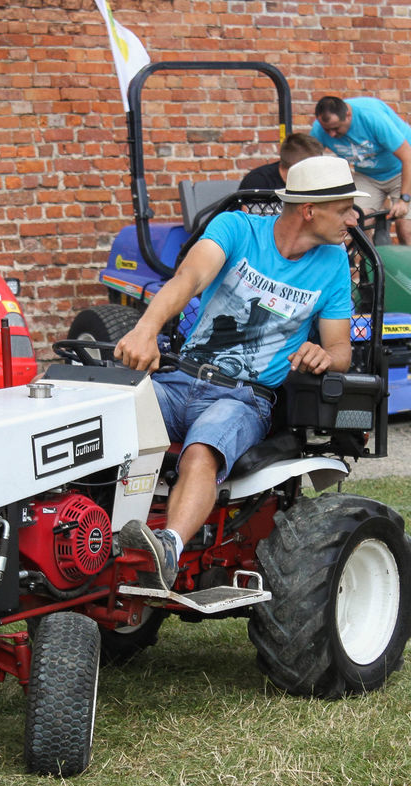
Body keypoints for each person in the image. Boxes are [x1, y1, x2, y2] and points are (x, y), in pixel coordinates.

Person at [112, 156, 358, 588]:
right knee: (104, 421)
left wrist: (326, 355)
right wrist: (146, 330)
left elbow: (341, 348)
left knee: (201, 450)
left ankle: (167, 548)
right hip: (180, 378)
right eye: (345, 209)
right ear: (309, 210)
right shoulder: (237, 228)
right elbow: (188, 278)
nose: (353, 219)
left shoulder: (334, 262)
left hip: (244, 397)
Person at [310, 95, 411, 247]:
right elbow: (311, 164)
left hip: (401, 168)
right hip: (367, 175)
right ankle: (374, 268)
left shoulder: (371, 117)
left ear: (348, 115)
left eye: (336, 128)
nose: (331, 134)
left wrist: (404, 200)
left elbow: (409, 157)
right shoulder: (319, 130)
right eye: (327, 130)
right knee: (359, 223)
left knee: (405, 228)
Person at [238, 132, 324, 191]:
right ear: (297, 167)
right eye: (313, 166)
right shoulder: (258, 182)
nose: (317, 171)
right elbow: (245, 216)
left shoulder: (318, 183)